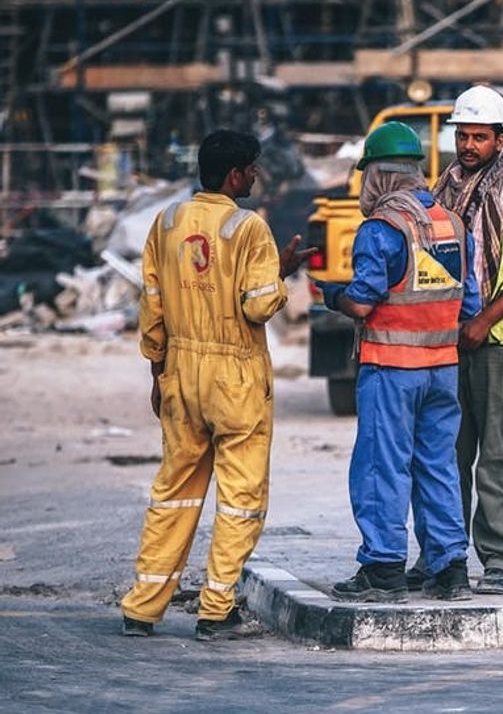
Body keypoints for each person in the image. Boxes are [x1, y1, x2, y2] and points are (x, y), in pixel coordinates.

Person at [121, 129, 314, 641]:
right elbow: (256, 305)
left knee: (174, 493)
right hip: (235, 375)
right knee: (240, 498)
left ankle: (142, 607)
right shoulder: (248, 227)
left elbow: (153, 305)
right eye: (251, 168)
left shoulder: (165, 222)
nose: (255, 176)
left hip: (181, 370)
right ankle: (215, 610)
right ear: (234, 175)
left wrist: (158, 373)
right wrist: (283, 272)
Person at [318, 122, 481, 604]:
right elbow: (468, 304)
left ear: (380, 177)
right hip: (442, 369)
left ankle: (383, 567)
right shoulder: (452, 223)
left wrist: (332, 297)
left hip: (391, 368)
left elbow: (364, 303)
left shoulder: (381, 228)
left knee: (381, 467)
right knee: (438, 465)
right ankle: (450, 568)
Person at [427, 86, 503, 595]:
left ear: (501, 141)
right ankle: (445, 555)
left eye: (480, 136)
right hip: (449, 341)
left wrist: (482, 321)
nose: (469, 145)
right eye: (463, 134)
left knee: (501, 454)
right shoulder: (438, 197)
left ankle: (501, 559)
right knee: (447, 454)